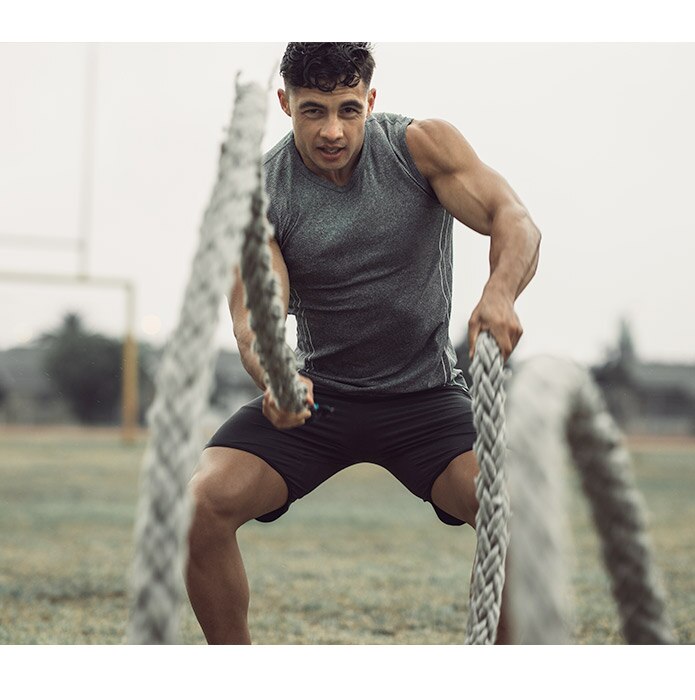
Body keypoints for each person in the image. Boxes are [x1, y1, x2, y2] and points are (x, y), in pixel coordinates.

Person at [185, 42, 541, 644]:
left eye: (348, 109)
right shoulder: (259, 194)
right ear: (284, 104)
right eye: (313, 111)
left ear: (371, 101)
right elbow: (254, 314)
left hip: (424, 397)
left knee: (513, 512)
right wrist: (274, 372)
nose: (332, 130)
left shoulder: (420, 148)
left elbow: (514, 218)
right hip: (320, 400)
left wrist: (501, 292)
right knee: (200, 505)